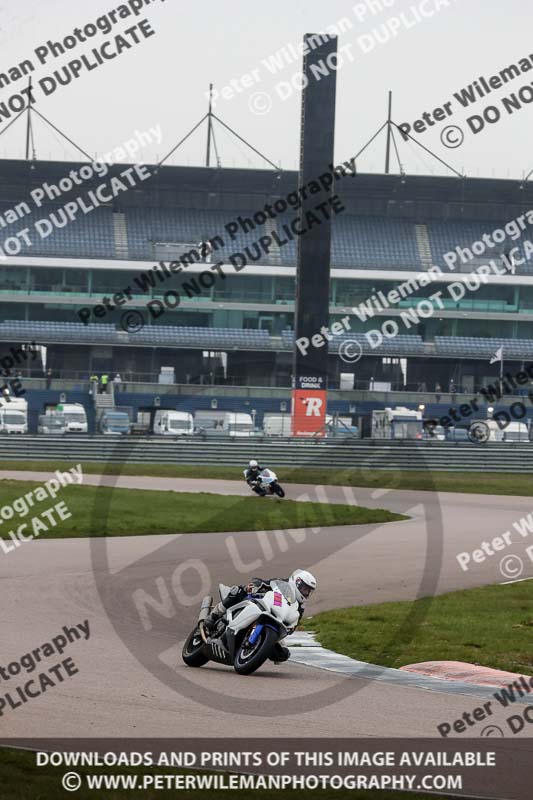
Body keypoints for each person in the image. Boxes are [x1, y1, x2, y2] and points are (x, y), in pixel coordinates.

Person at [203, 569, 317, 662]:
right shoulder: (283, 583)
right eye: (304, 588)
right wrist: (255, 586)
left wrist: (291, 627)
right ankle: (214, 615)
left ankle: (258, 648)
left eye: (308, 591)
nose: (306, 592)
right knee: (237, 591)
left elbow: (295, 622)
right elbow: (263, 582)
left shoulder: (300, 606)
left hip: (276, 620)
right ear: (297, 582)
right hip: (257, 603)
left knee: (284, 654)